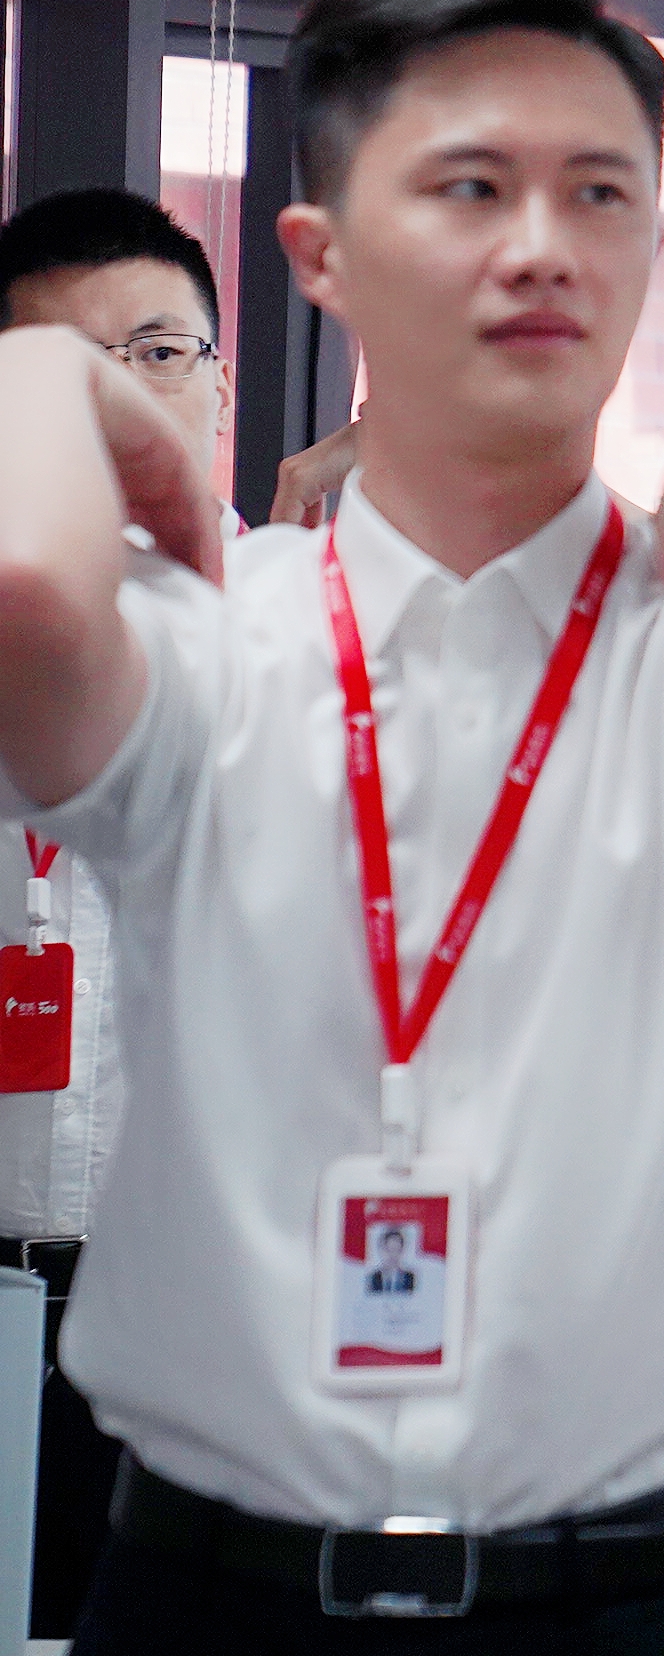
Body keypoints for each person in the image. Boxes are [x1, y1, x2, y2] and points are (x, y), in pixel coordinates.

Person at [0, 0, 664, 1647]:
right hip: (215, 1592)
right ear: (321, 255)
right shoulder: (214, 643)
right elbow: (29, 592)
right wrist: (49, 374)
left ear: (653, 249)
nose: (543, 244)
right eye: (470, 186)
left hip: (620, 1595)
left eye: (601, 193)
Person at [0, 188, 249, 1636]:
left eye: (159, 352)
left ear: (220, 379)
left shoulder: (314, 633)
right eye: (59, 368)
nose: (122, 398)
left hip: (202, 1324)